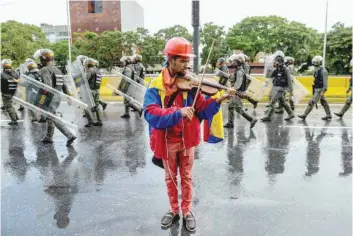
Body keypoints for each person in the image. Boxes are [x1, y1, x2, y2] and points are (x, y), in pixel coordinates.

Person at [143, 37, 235, 232]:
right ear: (171, 59)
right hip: (166, 141)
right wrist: (177, 113)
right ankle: (173, 209)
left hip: (188, 141)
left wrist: (219, 100)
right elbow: (150, 113)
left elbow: (203, 108)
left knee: (186, 177)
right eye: (183, 60)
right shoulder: (156, 85)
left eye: (188, 60)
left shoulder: (191, 84)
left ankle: (186, 211)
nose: (187, 65)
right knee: (170, 179)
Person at [34, 49, 76, 146]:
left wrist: (41, 99)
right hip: (57, 97)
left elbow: (47, 86)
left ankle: (69, 135)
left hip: (49, 96)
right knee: (50, 116)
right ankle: (49, 137)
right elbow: (64, 85)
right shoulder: (58, 70)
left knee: (52, 116)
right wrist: (68, 96)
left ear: (42, 59)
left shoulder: (44, 69)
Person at [223, 54, 257, 129]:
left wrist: (231, 91)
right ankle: (230, 123)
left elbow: (238, 84)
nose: (233, 63)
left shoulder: (239, 72)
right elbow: (234, 80)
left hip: (237, 93)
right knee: (231, 107)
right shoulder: (238, 71)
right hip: (236, 93)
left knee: (238, 109)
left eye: (234, 62)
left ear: (237, 63)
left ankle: (251, 119)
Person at [261, 51, 295, 122]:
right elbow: (270, 76)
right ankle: (291, 113)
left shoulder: (285, 69)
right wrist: (272, 68)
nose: (275, 62)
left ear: (280, 61)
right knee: (283, 102)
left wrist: (291, 91)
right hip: (276, 87)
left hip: (281, 88)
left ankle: (268, 116)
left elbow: (289, 80)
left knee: (272, 101)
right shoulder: (277, 69)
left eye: (277, 61)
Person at [298, 56, 332, 120]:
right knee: (323, 102)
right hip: (317, 89)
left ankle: (304, 114)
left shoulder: (323, 71)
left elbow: (325, 83)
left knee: (311, 102)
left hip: (320, 90)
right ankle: (329, 114)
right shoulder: (317, 70)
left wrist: (323, 91)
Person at [83, 58, 103, 127]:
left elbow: (85, 79)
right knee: (97, 105)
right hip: (97, 90)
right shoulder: (98, 71)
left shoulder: (90, 70)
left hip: (90, 90)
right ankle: (99, 121)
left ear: (89, 64)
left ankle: (90, 122)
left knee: (86, 106)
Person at [1, 59, 20, 125]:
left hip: (6, 93)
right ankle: (16, 117)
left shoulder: (3, 75)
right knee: (10, 105)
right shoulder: (15, 73)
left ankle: (14, 120)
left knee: (8, 106)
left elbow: (2, 85)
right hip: (13, 93)